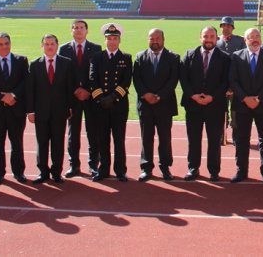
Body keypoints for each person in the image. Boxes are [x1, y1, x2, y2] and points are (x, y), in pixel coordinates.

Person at [180, 26, 231, 182]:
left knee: (214, 141)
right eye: (205, 36)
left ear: (217, 38)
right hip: (193, 104)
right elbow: (183, 78)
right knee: (193, 139)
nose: (208, 39)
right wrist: (193, 95)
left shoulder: (225, 57)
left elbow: (226, 81)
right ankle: (193, 168)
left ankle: (214, 171)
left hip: (215, 105)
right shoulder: (189, 54)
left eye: (212, 36)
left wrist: (212, 97)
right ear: (200, 37)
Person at [228, 27, 263, 184]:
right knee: (242, 139)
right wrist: (245, 98)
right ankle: (241, 171)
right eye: (251, 37)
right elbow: (233, 80)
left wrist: (258, 98)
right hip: (242, 105)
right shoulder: (236, 57)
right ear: (245, 40)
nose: (255, 39)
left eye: (257, 36)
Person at [25, 34, 75, 184]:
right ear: (42, 46)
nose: (50, 46)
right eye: (46, 44)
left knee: (58, 143)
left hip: (60, 111)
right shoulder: (35, 65)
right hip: (41, 112)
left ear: (57, 45)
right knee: (42, 143)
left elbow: (70, 87)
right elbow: (30, 90)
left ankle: (56, 172)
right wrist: (30, 111)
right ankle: (43, 172)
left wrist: (70, 107)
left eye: (52, 43)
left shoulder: (66, 63)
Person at [0, 32, 29, 185]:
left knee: (17, 142)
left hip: (16, 109)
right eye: (0, 44)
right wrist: (3, 97)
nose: (4, 46)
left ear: (10, 44)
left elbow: (25, 81)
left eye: (6, 43)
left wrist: (13, 95)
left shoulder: (21, 60)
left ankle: (19, 172)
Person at [133, 28, 180, 181]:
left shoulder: (173, 57)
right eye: (151, 38)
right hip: (145, 105)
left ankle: (165, 167)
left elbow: (173, 81)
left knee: (165, 138)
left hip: (164, 105)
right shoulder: (140, 57)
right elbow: (137, 80)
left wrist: (159, 95)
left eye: (157, 38)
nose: (155, 41)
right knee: (146, 138)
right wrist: (146, 94)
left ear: (163, 39)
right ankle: (146, 168)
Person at [59, 19, 102, 178]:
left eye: (81, 27)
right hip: (73, 97)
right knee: (73, 133)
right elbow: (62, 75)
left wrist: (89, 90)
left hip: (90, 97)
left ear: (87, 31)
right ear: (71, 31)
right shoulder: (63, 49)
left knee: (93, 132)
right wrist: (75, 90)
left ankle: (93, 165)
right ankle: (74, 165)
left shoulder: (96, 48)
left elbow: (97, 73)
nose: (78, 30)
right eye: (75, 28)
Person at [89, 24, 133, 182]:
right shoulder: (97, 57)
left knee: (119, 139)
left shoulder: (126, 58)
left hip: (119, 105)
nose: (112, 42)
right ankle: (104, 169)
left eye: (115, 39)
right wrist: (101, 99)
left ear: (119, 40)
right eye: (109, 38)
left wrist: (112, 98)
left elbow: (126, 81)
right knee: (103, 139)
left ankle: (120, 170)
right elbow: (93, 79)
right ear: (105, 40)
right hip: (100, 106)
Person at [216, 16, 246, 146]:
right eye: (224, 26)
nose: (226, 28)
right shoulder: (216, 42)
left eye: (228, 26)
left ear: (232, 28)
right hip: (220, 83)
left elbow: (243, 61)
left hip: (236, 83)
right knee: (221, 110)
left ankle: (236, 136)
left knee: (235, 111)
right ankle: (222, 135)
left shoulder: (239, 41)